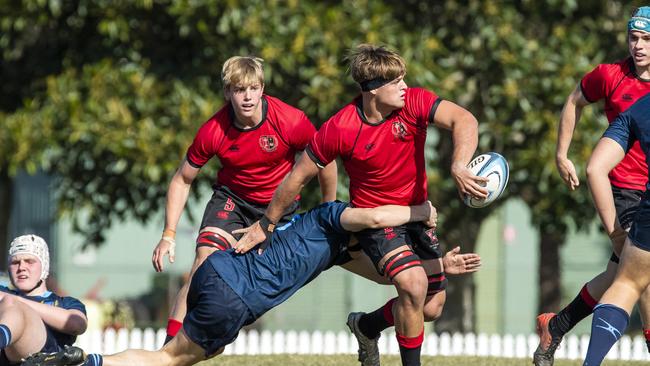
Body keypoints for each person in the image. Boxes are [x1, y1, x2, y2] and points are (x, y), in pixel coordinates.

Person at [234, 44, 488, 366]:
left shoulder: (414, 103)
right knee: (413, 283)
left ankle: (366, 326)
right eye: (396, 82)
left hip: (417, 215)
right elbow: (296, 178)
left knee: (431, 307)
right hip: (377, 223)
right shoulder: (340, 128)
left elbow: (464, 120)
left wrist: (458, 165)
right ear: (372, 90)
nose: (404, 87)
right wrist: (266, 225)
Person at [23, 200, 441, 366]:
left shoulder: (325, 244)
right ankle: (87, 363)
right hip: (234, 294)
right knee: (169, 359)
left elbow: (383, 273)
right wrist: (419, 210)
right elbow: (371, 219)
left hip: (218, 271)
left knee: (211, 348)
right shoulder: (335, 215)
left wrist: (438, 268)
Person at [151, 56, 337, 343]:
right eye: (239, 90)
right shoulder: (213, 130)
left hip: (280, 209)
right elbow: (182, 179)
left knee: (263, 279)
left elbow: (325, 159)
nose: (247, 97)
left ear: (262, 88)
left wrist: (329, 207)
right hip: (233, 202)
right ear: (227, 93)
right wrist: (168, 234)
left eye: (253, 88)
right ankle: (168, 349)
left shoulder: (290, 120)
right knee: (203, 264)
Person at [534, 6, 650, 366]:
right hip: (626, 189)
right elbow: (574, 101)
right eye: (634, 37)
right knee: (636, 277)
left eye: (647, 39)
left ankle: (558, 324)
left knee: (623, 275)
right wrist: (561, 154)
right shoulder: (610, 75)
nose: (639, 46)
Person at [578, 91, 650, 365]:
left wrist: (615, 232)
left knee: (628, 284)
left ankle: (591, 363)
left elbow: (595, 169)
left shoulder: (639, 109)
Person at [0, 235, 87, 365]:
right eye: (15, 262)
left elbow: (77, 324)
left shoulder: (66, 303)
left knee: (11, 303)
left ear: (44, 266)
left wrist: (15, 300)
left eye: (29, 261)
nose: (21, 267)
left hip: (47, 360)